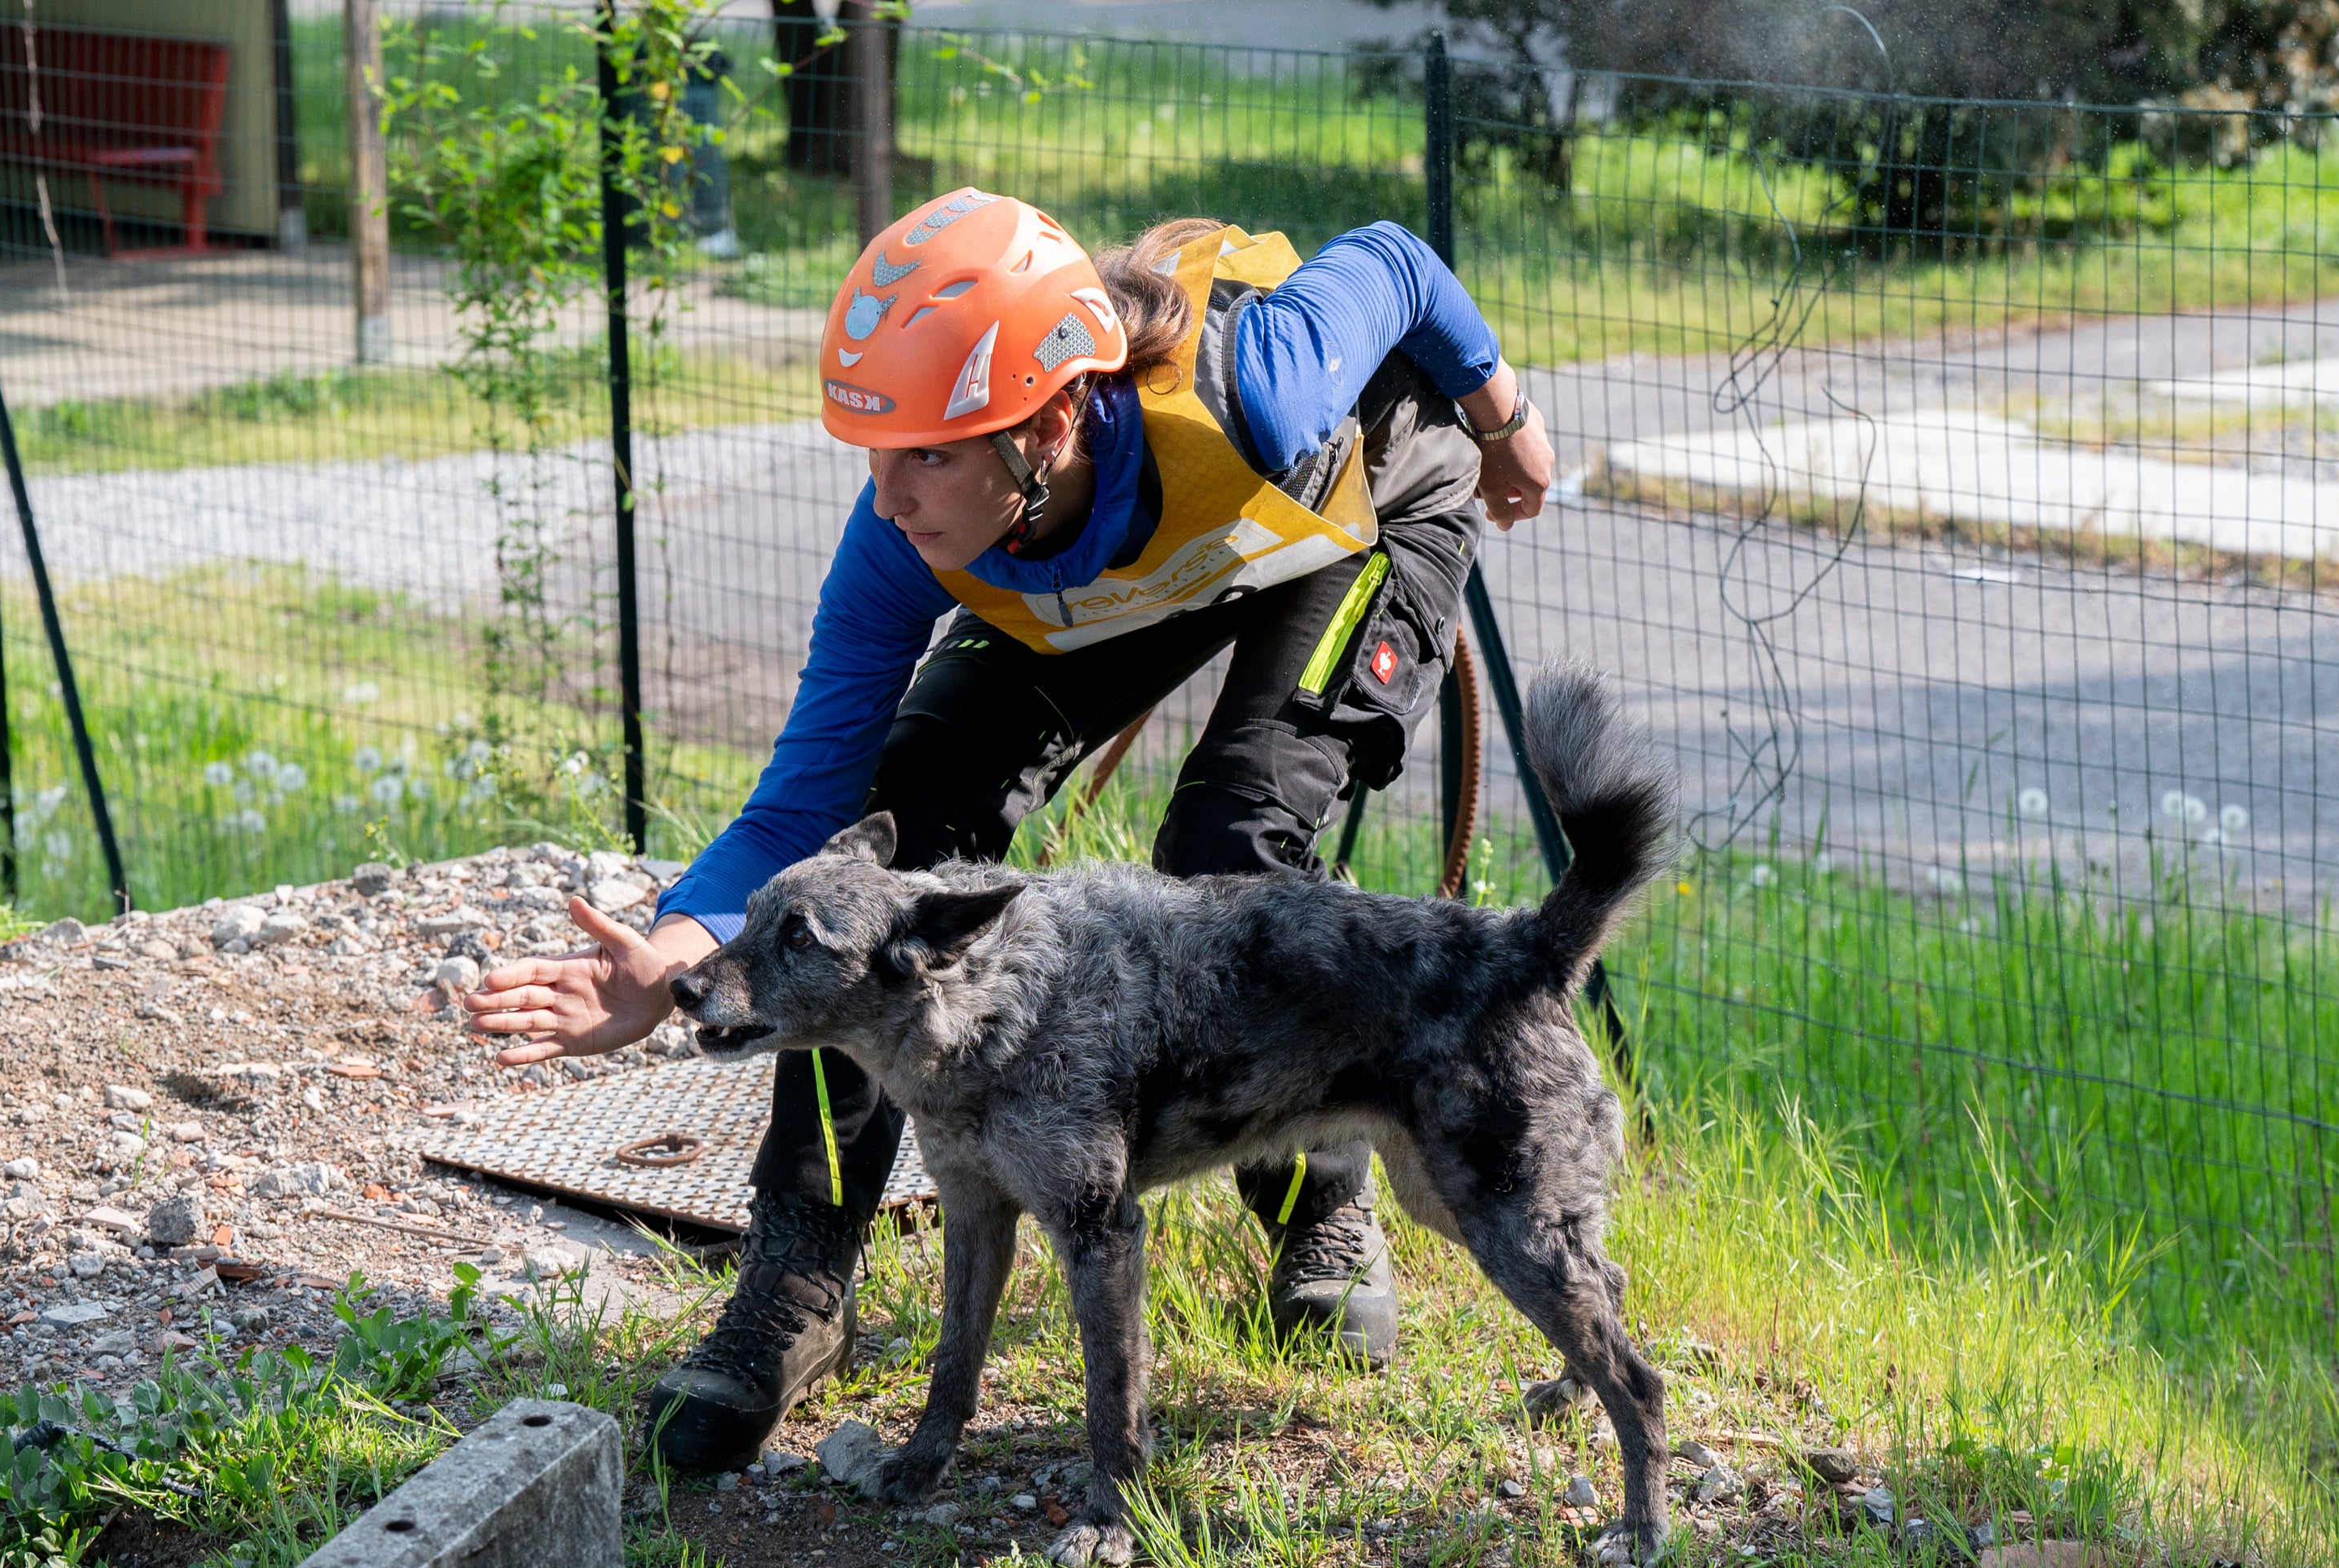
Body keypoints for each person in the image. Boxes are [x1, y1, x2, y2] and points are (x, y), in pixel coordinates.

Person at [461, 189, 1557, 1472]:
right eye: (876, 455)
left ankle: (1316, 1202)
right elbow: (806, 801)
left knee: (1228, 843)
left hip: (1341, 514)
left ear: (1048, 423)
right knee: (899, 822)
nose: (889, 499)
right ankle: (801, 1273)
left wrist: (1504, 420)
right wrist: (672, 945)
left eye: (928, 454)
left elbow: (1397, 258)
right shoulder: (909, 535)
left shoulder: (1259, 385)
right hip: (1113, 566)